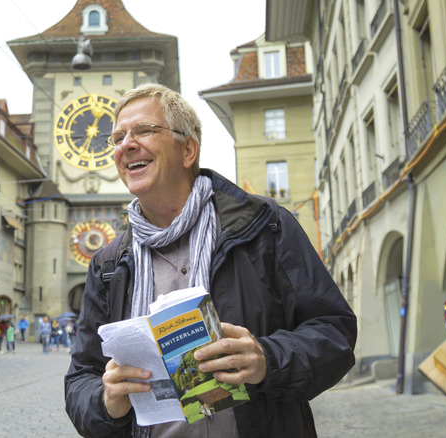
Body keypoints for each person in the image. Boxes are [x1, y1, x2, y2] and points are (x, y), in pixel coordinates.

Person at [64, 83, 357, 437]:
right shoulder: (108, 265)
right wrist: (106, 402)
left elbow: (335, 332)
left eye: (144, 130)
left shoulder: (264, 226)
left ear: (188, 149)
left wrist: (268, 359)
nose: (126, 144)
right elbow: (81, 378)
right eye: (118, 137)